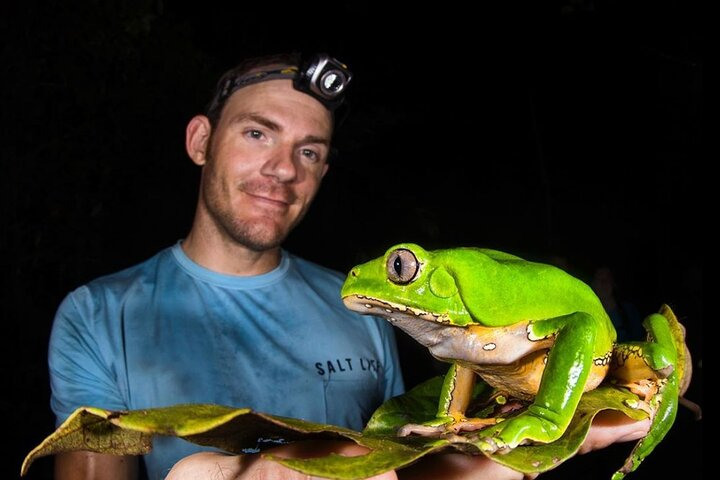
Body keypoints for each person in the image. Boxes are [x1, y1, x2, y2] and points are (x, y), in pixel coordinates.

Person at [49, 52, 652, 480]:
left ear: (323, 172)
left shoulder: (362, 305)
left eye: (308, 151)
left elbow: (391, 461)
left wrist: (497, 459)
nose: (284, 169)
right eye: (258, 133)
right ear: (200, 140)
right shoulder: (99, 313)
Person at [592, 265, 645, 342]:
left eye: (607, 278)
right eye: (599, 278)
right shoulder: (591, 314)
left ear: (613, 283)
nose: (603, 283)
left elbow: (640, 340)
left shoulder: (629, 311)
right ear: (593, 284)